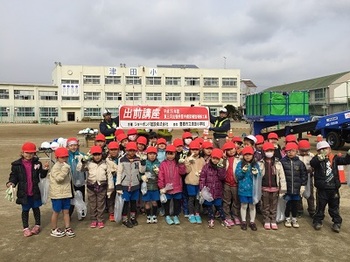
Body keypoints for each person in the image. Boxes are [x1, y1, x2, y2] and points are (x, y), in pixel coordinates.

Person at [6, 142, 49, 237]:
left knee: (36, 208)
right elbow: (14, 176)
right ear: (22, 152)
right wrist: (11, 183)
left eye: (31, 153)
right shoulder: (16, 165)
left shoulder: (37, 163)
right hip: (24, 192)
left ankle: (37, 225)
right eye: (27, 152)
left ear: (34, 154)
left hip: (34, 191)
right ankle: (25, 228)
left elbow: (42, 175)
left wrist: (45, 169)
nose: (29, 155)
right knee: (25, 210)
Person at [310, 141, 350, 233]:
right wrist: (319, 158)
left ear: (330, 149)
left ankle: (337, 222)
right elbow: (312, 163)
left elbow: (346, 161)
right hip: (322, 188)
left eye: (326, 149)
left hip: (333, 188)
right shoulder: (317, 159)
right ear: (318, 151)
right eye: (321, 150)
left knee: (334, 207)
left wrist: (348, 154)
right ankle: (317, 221)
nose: (324, 151)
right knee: (320, 207)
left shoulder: (335, 159)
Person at [77, 145, 114, 229]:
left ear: (102, 154)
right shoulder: (89, 163)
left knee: (101, 204)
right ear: (92, 155)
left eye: (99, 154)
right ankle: (93, 219)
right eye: (95, 155)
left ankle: (100, 220)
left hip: (102, 186)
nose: (97, 157)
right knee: (92, 204)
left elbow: (109, 176)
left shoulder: (105, 164)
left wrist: (110, 188)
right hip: (91, 186)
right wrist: (82, 161)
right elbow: (79, 169)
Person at [116, 142, 146, 228]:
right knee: (125, 203)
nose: (131, 152)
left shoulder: (138, 159)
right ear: (126, 150)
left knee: (133, 203)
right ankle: (125, 219)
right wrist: (118, 184)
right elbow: (119, 172)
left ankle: (133, 218)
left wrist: (143, 163)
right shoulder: (122, 160)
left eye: (133, 151)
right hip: (125, 185)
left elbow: (141, 171)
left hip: (135, 184)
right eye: (130, 150)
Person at [199, 148, 231, 229]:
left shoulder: (221, 167)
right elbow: (202, 178)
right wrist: (202, 189)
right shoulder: (206, 167)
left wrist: (221, 168)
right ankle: (211, 219)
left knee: (219, 206)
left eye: (217, 159)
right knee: (209, 206)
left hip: (217, 190)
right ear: (211, 158)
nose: (215, 160)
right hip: (208, 191)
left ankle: (223, 219)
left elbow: (222, 177)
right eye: (214, 158)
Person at [258, 142, 286, 230]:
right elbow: (257, 176)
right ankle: (266, 220)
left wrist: (283, 188)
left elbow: (282, 176)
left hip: (275, 188)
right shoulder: (260, 163)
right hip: (264, 188)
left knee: (273, 205)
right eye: (267, 151)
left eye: (271, 150)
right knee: (265, 205)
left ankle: (273, 220)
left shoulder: (278, 163)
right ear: (264, 152)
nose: (269, 152)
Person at [49, 147, 75, 238]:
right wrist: (65, 170)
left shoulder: (65, 166)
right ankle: (54, 228)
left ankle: (67, 227)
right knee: (56, 212)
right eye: (62, 157)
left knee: (66, 211)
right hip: (57, 195)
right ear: (57, 158)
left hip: (66, 193)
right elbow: (59, 179)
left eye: (66, 157)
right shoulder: (56, 167)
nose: (64, 159)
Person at [158, 145, 187, 225]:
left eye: (172, 154)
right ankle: (167, 215)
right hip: (167, 188)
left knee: (177, 202)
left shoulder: (177, 163)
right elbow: (161, 176)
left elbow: (182, 172)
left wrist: (181, 165)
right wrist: (162, 187)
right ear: (166, 154)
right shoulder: (163, 164)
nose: (170, 156)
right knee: (167, 203)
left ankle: (175, 215)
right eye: (168, 154)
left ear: (175, 154)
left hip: (177, 187)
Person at [280, 143, 307, 228]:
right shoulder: (282, 162)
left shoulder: (300, 163)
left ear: (296, 151)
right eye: (288, 151)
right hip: (287, 189)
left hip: (296, 188)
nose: (290, 153)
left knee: (295, 204)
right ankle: (287, 218)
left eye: (292, 151)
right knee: (287, 204)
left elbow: (304, 175)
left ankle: (294, 218)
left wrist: (303, 185)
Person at [235, 146, 261, 231]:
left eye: (249, 154)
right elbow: (238, 175)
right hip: (243, 189)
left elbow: (259, 175)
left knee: (252, 206)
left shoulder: (255, 164)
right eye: (245, 154)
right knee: (244, 205)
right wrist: (243, 171)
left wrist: (256, 173)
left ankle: (252, 222)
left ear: (253, 155)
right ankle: (243, 221)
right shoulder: (240, 164)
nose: (247, 156)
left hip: (253, 190)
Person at [183, 141, 206, 224]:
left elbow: (204, 170)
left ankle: (197, 213)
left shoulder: (201, 159)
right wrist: (188, 162)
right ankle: (191, 214)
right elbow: (187, 170)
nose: (194, 151)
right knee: (191, 198)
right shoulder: (187, 159)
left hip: (199, 182)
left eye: (196, 150)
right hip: (190, 182)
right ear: (190, 150)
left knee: (198, 199)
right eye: (193, 149)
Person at [66, 137, 86, 220]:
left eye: (75, 145)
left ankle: (81, 213)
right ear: (68, 147)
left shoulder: (82, 155)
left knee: (81, 196)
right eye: (71, 146)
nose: (73, 147)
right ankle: (69, 214)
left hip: (80, 180)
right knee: (70, 198)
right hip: (70, 181)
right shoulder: (66, 157)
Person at [222, 141, 241, 226]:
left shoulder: (239, 158)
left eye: (232, 149)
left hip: (236, 183)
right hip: (227, 183)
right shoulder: (224, 160)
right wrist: (224, 159)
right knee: (226, 201)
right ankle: (227, 216)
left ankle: (235, 215)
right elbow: (222, 169)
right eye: (228, 150)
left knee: (236, 201)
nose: (231, 151)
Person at [141, 146, 161, 223]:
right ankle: (148, 216)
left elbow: (161, 175)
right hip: (146, 186)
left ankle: (154, 215)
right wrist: (142, 177)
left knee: (154, 202)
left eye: (154, 154)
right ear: (147, 155)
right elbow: (141, 172)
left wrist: (158, 173)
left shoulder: (158, 163)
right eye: (150, 154)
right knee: (147, 202)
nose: (152, 156)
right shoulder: (144, 162)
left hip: (155, 186)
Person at [297, 140, 315, 217]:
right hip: (298, 178)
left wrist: (312, 169)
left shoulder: (311, 156)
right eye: (302, 151)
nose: (304, 153)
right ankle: (299, 210)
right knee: (298, 194)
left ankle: (312, 210)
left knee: (310, 194)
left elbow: (315, 165)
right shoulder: (297, 156)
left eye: (306, 151)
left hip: (308, 177)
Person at [105, 141, 120, 222]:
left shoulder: (121, 158)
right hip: (110, 182)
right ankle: (111, 213)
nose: (113, 151)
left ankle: (119, 212)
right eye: (111, 150)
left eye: (115, 149)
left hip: (120, 181)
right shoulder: (106, 159)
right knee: (110, 198)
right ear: (108, 150)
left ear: (118, 150)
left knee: (119, 198)